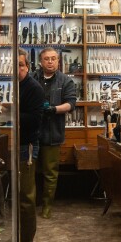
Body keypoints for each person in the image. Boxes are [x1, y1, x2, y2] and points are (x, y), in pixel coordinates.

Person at [33, 47, 78, 219]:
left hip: (53, 132)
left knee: (50, 173)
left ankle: (47, 207)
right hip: (33, 132)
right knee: (32, 171)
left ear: (58, 61)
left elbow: (71, 104)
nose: (50, 61)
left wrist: (53, 109)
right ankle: (33, 204)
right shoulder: (33, 78)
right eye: (46, 59)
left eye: (53, 58)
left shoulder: (65, 81)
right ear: (41, 61)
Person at [17, 49, 44, 242]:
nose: (17, 69)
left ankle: (26, 241)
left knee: (26, 196)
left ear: (27, 67)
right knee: (18, 195)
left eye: (20, 65)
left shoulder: (33, 88)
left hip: (27, 147)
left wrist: (12, 114)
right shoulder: (15, 86)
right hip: (15, 145)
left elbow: (36, 119)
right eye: (14, 65)